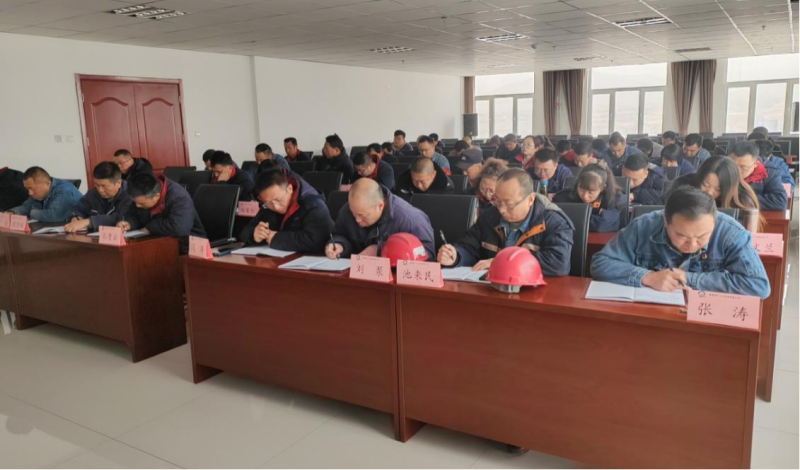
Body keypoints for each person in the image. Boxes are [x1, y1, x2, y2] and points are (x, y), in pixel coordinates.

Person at [590, 186, 770, 299]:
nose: (692, 244)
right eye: (682, 236)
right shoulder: (643, 226)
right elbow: (600, 263)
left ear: (714, 222)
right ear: (665, 221)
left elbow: (758, 286)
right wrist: (647, 277)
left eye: (702, 236)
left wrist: (687, 278)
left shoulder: (732, 234)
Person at [437, 169, 573, 275]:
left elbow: (558, 263)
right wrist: (456, 256)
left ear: (530, 199)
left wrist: (504, 262)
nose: (502, 209)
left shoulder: (554, 222)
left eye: (509, 204)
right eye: (498, 201)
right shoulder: (490, 216)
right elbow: (469, 247)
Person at [327, 178, 434, 260]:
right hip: (355, 271)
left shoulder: (409, 219)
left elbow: (427, 253)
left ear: (380, 206)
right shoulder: (349, 209)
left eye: (362, 215)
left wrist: (381, 250)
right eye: (354, 214)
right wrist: (339, 244)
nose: (357, 220)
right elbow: (340, 234)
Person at [239, 168, 333, 252]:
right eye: (269, 203)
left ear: (289, 189)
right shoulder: (267, 205)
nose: (276, 207)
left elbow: (318, 239)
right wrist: (254, 235)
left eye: (279, 200)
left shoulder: (312, 203)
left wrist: (277, 238)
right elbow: (244, 233)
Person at [118, 173, 206, 254]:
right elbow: (133, 214)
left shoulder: (179, 198)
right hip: (158, 240)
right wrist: (129, 223)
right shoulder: (141, 194)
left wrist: (149, 227)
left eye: (141, 203)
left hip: (189, 245)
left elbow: (179, 228)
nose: (137, 205)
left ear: (156, 196)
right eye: (135, 202)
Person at [669, 156, 763, 229]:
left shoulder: (743, 199)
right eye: (705, 185)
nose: (709, 192)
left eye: (718, 189)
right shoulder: (683, 186)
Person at [553, 163, 625, 232]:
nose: (585, 196)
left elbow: (601, 225)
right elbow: (554, 220)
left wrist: (572, 217)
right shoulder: (563, 197)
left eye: (591, 192)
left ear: (602, 188)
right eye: (581, 190)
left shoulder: (613, 199)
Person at [64, 162, 131, 233]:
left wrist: (89, 222)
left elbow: (120, 217)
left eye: (104, 186)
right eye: (96, 185)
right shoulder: (93, 193)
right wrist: (75, 218)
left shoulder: (130, 194)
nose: (100, 190)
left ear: (118, 183)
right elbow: (77, 208)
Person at [7, 167, 82, 222]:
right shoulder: (38, 194)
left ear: (47, 184)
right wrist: (12, 212)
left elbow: (55, 215)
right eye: (27, 189)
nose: (30, 193)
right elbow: (26, 207)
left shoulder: (65, 190)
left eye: (32, 188)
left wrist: (31, 213)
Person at [729, 141, 787, 211]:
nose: (737, 171)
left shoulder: (770, 172)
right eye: (733, 165)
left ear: (756, 164)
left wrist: (740, 199)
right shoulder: (723, 167)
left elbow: (780, 201)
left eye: (743, 167)